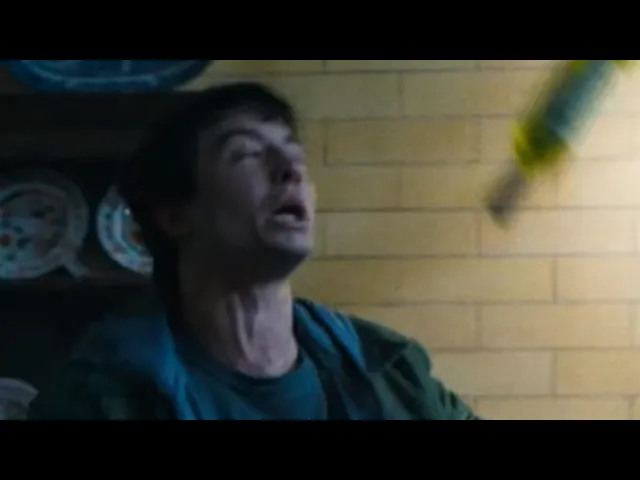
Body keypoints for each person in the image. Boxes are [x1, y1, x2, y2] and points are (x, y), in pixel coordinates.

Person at [29, 82, 480, 420]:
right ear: (175, 216)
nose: (291, 171)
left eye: (295, 156)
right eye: (246, 153)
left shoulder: (390, 369)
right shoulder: (101, 396)